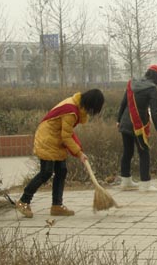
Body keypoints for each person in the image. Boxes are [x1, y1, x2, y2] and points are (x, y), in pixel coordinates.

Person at [16, 89, 105, 218]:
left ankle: (57, 205)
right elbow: (66, 136)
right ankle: (23, 201)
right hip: (47, 138)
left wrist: (79, 151)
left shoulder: (75, 106)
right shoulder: (71, 110)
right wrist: (78, 153)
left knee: (61, 170)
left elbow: (67, 133)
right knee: (46, 172)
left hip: (55, 138)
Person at [117, 64, 157, 192]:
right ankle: (145, 185)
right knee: (144, 153)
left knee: (127, 152)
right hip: (138, 125)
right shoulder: (152, 89)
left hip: (125, 122)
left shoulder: (132, 84)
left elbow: (123, 103)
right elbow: (154, 113)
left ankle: (126, 182)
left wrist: (118, 120)